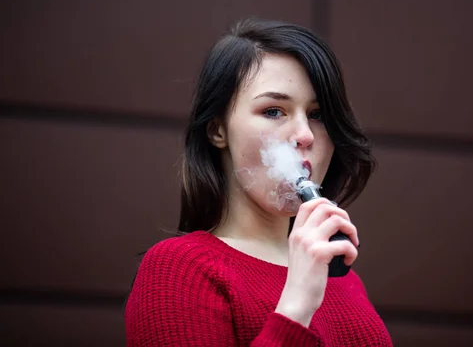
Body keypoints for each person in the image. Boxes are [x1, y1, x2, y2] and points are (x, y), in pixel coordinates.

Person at [125, 18, 393, 346]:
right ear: (217, 130)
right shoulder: (178, 269)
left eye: (318, 115)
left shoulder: (345, 280)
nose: (305, 135)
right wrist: (296, 307)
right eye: (273, 111)